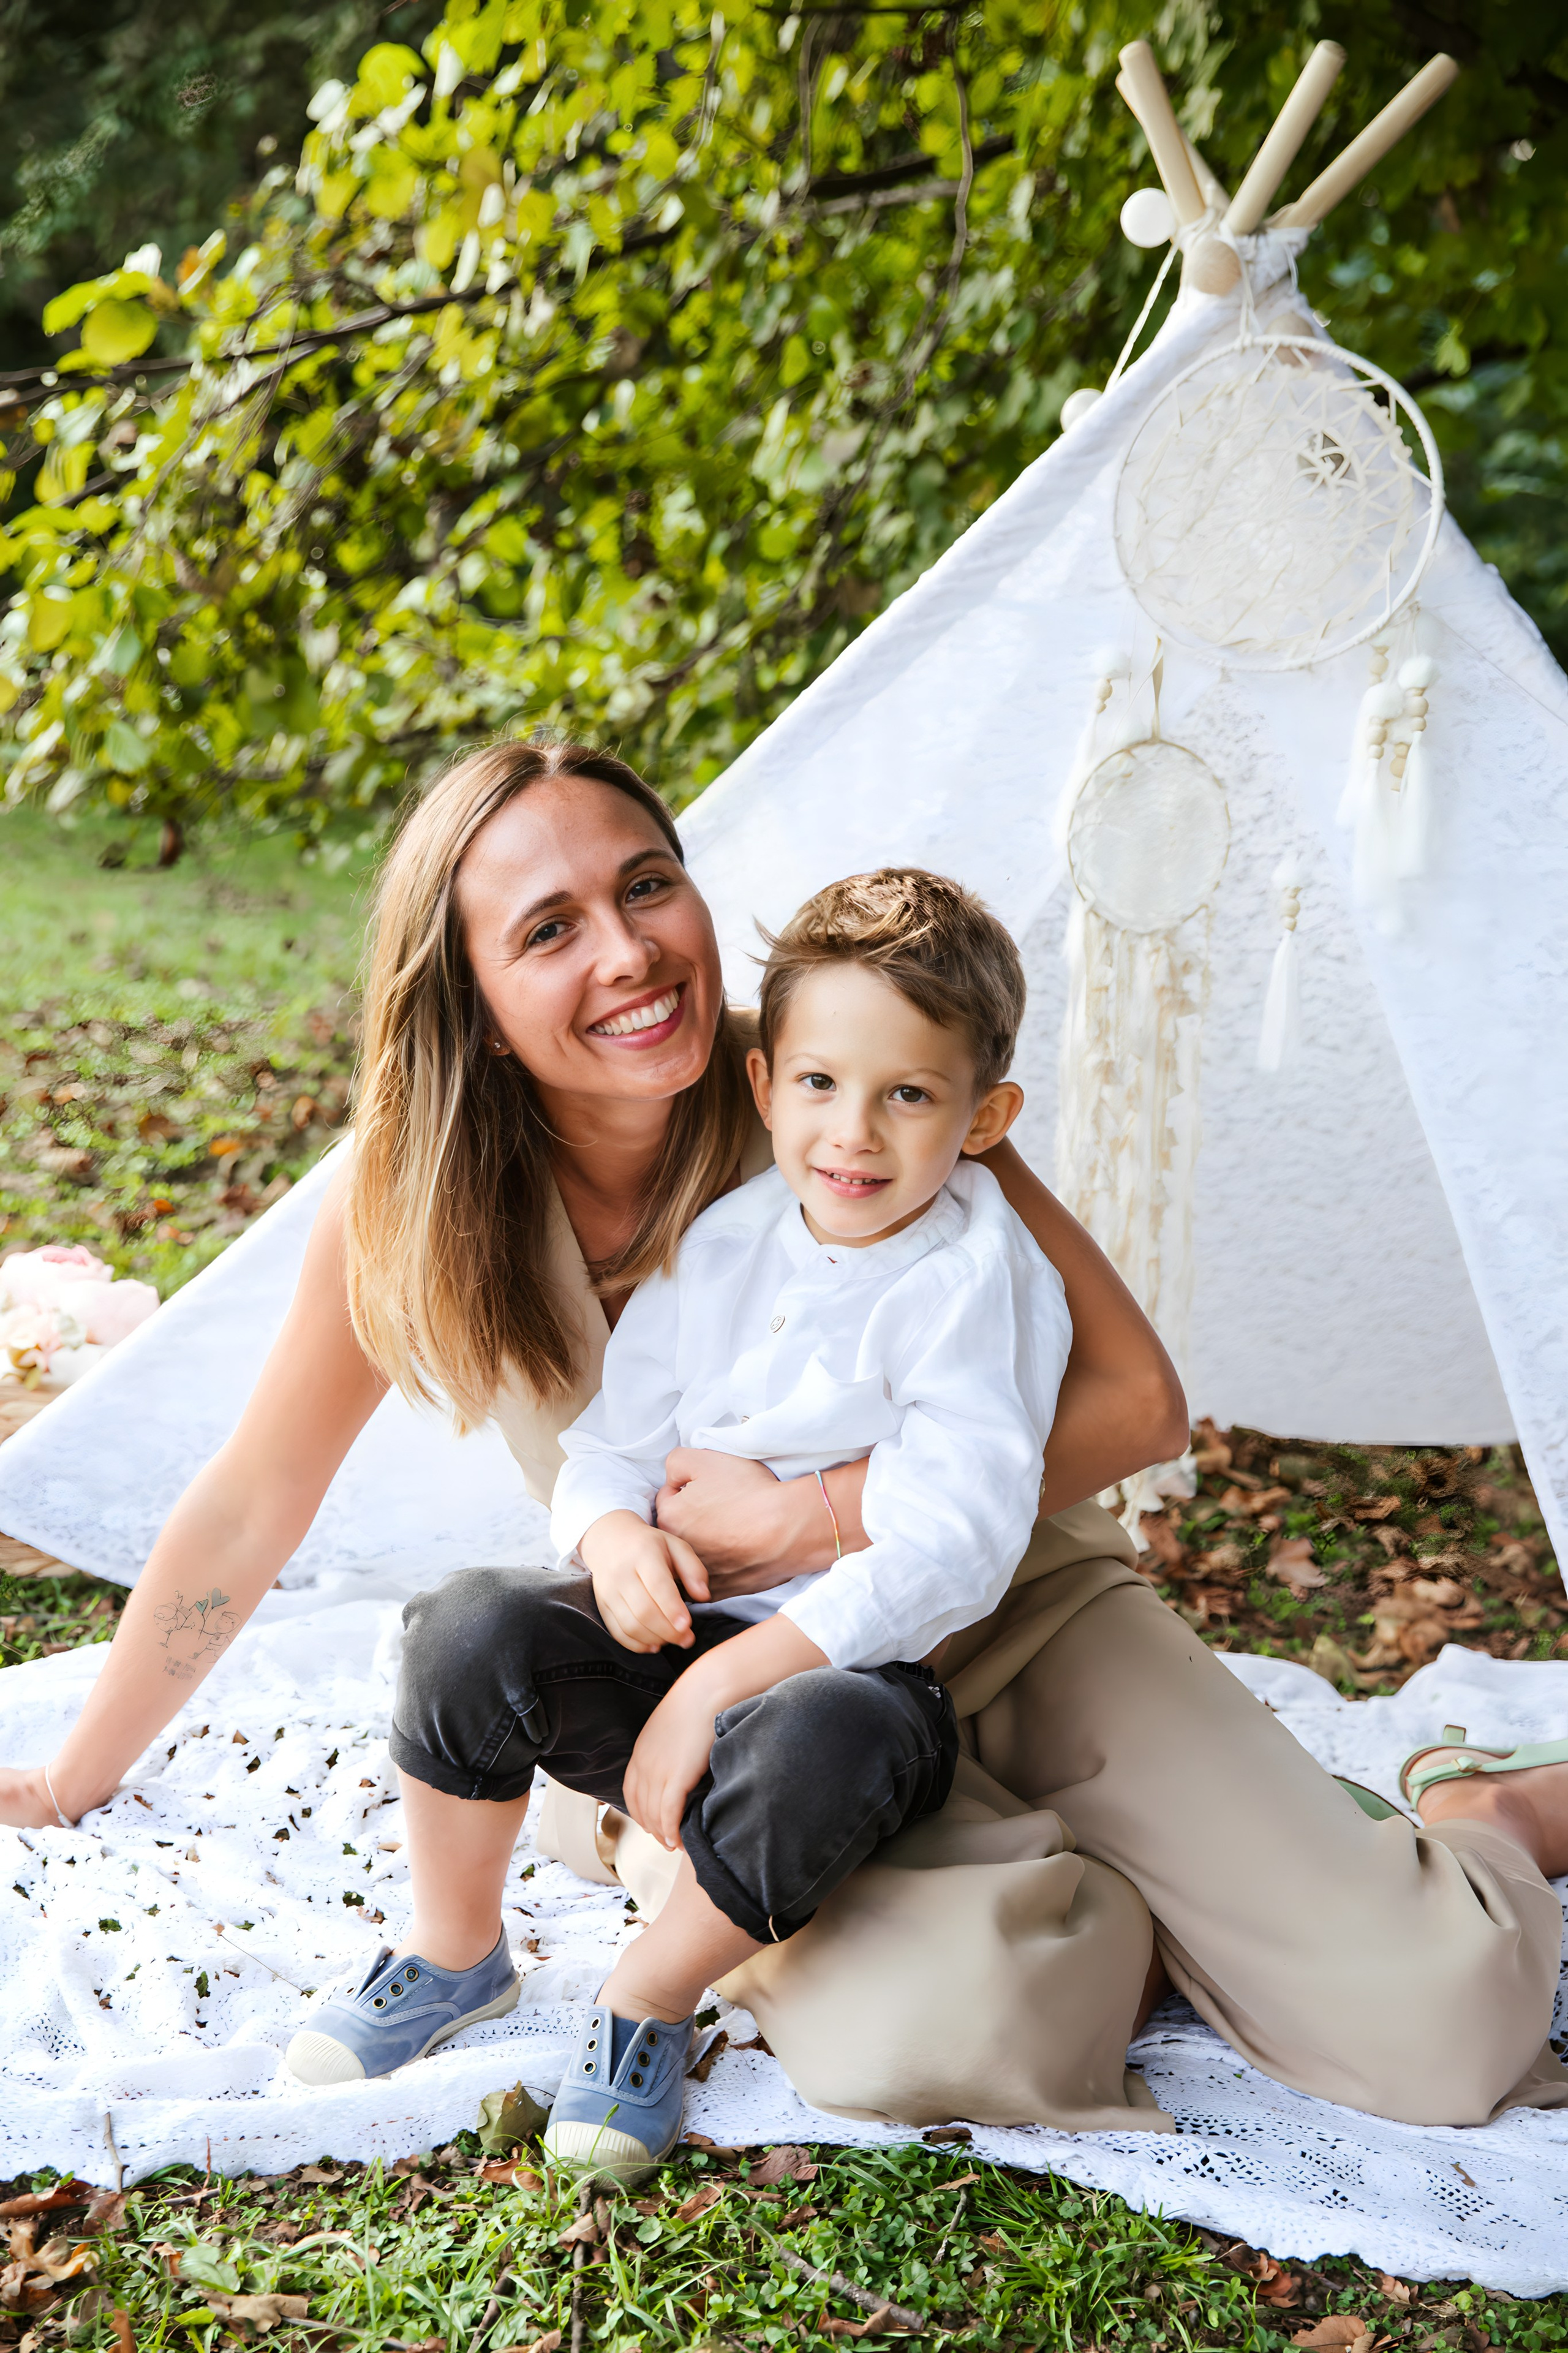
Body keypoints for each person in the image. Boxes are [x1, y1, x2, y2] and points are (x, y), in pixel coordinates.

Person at [4, 738, 1566, 2144]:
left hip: (1018, 1613)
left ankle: (1467, 1815)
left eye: (646, 885)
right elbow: (255, 1500)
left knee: (1437, 2029)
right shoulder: (410, 1197)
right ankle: (1081, 1888)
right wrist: (80, 1770)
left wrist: (812, 1512)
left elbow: (1136, 1407)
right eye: (548, 930)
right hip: (737, 1702)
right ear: (468, 996)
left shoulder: (850, 1068)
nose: (627, 951)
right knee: (941, 2029)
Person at [500, 869, 1065, 2175]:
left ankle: (644, 1999)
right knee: (468, 1628)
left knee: (818, 1738)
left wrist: (727, 1680)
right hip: (680, 1631)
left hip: (843, 1674)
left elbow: (953, 1539)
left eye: (907, 1095)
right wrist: (614, 1539)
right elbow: (611, 1446)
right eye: (819, 1082)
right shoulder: (728, 1238)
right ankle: (451, 1944)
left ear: (984, 1117)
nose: (852, 1134)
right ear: (763, 1086)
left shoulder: (976, 1279)